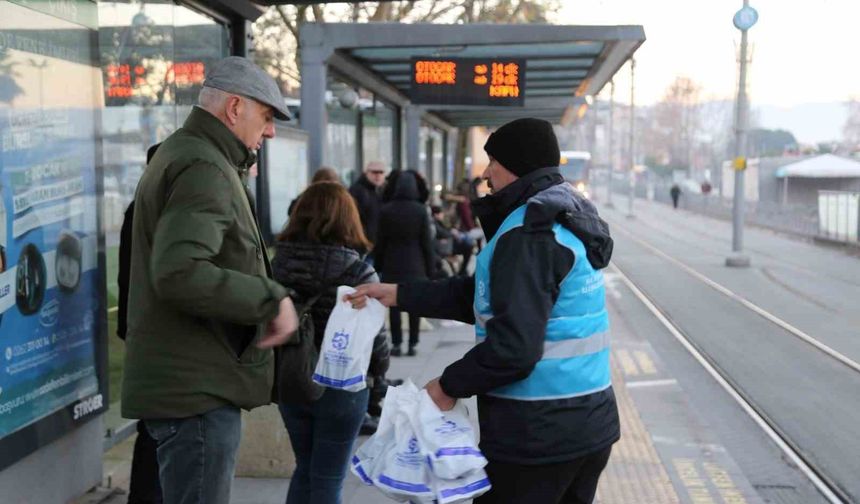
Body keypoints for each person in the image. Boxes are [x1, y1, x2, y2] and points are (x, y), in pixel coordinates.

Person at [348, 118, 619, 504]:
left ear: (516, 165)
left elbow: (514, 348)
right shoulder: (567, 216)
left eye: (492, 161)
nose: (486, 173)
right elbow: (483, 295)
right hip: (587, 421)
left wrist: (446, 386)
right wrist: (398, 293)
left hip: (538, 431)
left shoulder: (528, 234)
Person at [121, 56, 299, 504]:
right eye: (267, 116)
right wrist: (271, 298)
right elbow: (181, 272)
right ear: (235, 108)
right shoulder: (205, 165)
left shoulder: (191, 154)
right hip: (196, 392)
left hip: (190, 384)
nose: (272, 131)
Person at [271, 182, 390, 504]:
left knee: (305, 467)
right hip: (345, 383)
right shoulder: (360, 271)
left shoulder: (275, 266)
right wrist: (380, 378)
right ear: (348, 219)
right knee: (329, 477)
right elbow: (378, 340)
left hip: (292, 377)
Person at [117, 143, 162, 504]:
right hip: (152, 332)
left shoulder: (139, 208)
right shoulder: (151, 212)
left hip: (140, 329)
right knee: (155, 428)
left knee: (153, 426)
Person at [374, 169, 434, 357]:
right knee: (414, 304)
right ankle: (413, 343)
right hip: (415, 264)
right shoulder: (420, 210)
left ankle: (397, 342)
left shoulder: (386, 210)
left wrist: (379, 265)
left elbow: (380, 241)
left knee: (393, 304)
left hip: (392, 263)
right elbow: (426, 242)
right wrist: (429, 268)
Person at [348, 161, 387, 245]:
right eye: (374, 172)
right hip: (363, 243)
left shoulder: (380, 192)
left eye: (381, 172)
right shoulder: (358, 191)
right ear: (366, 173)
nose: (378, 175)